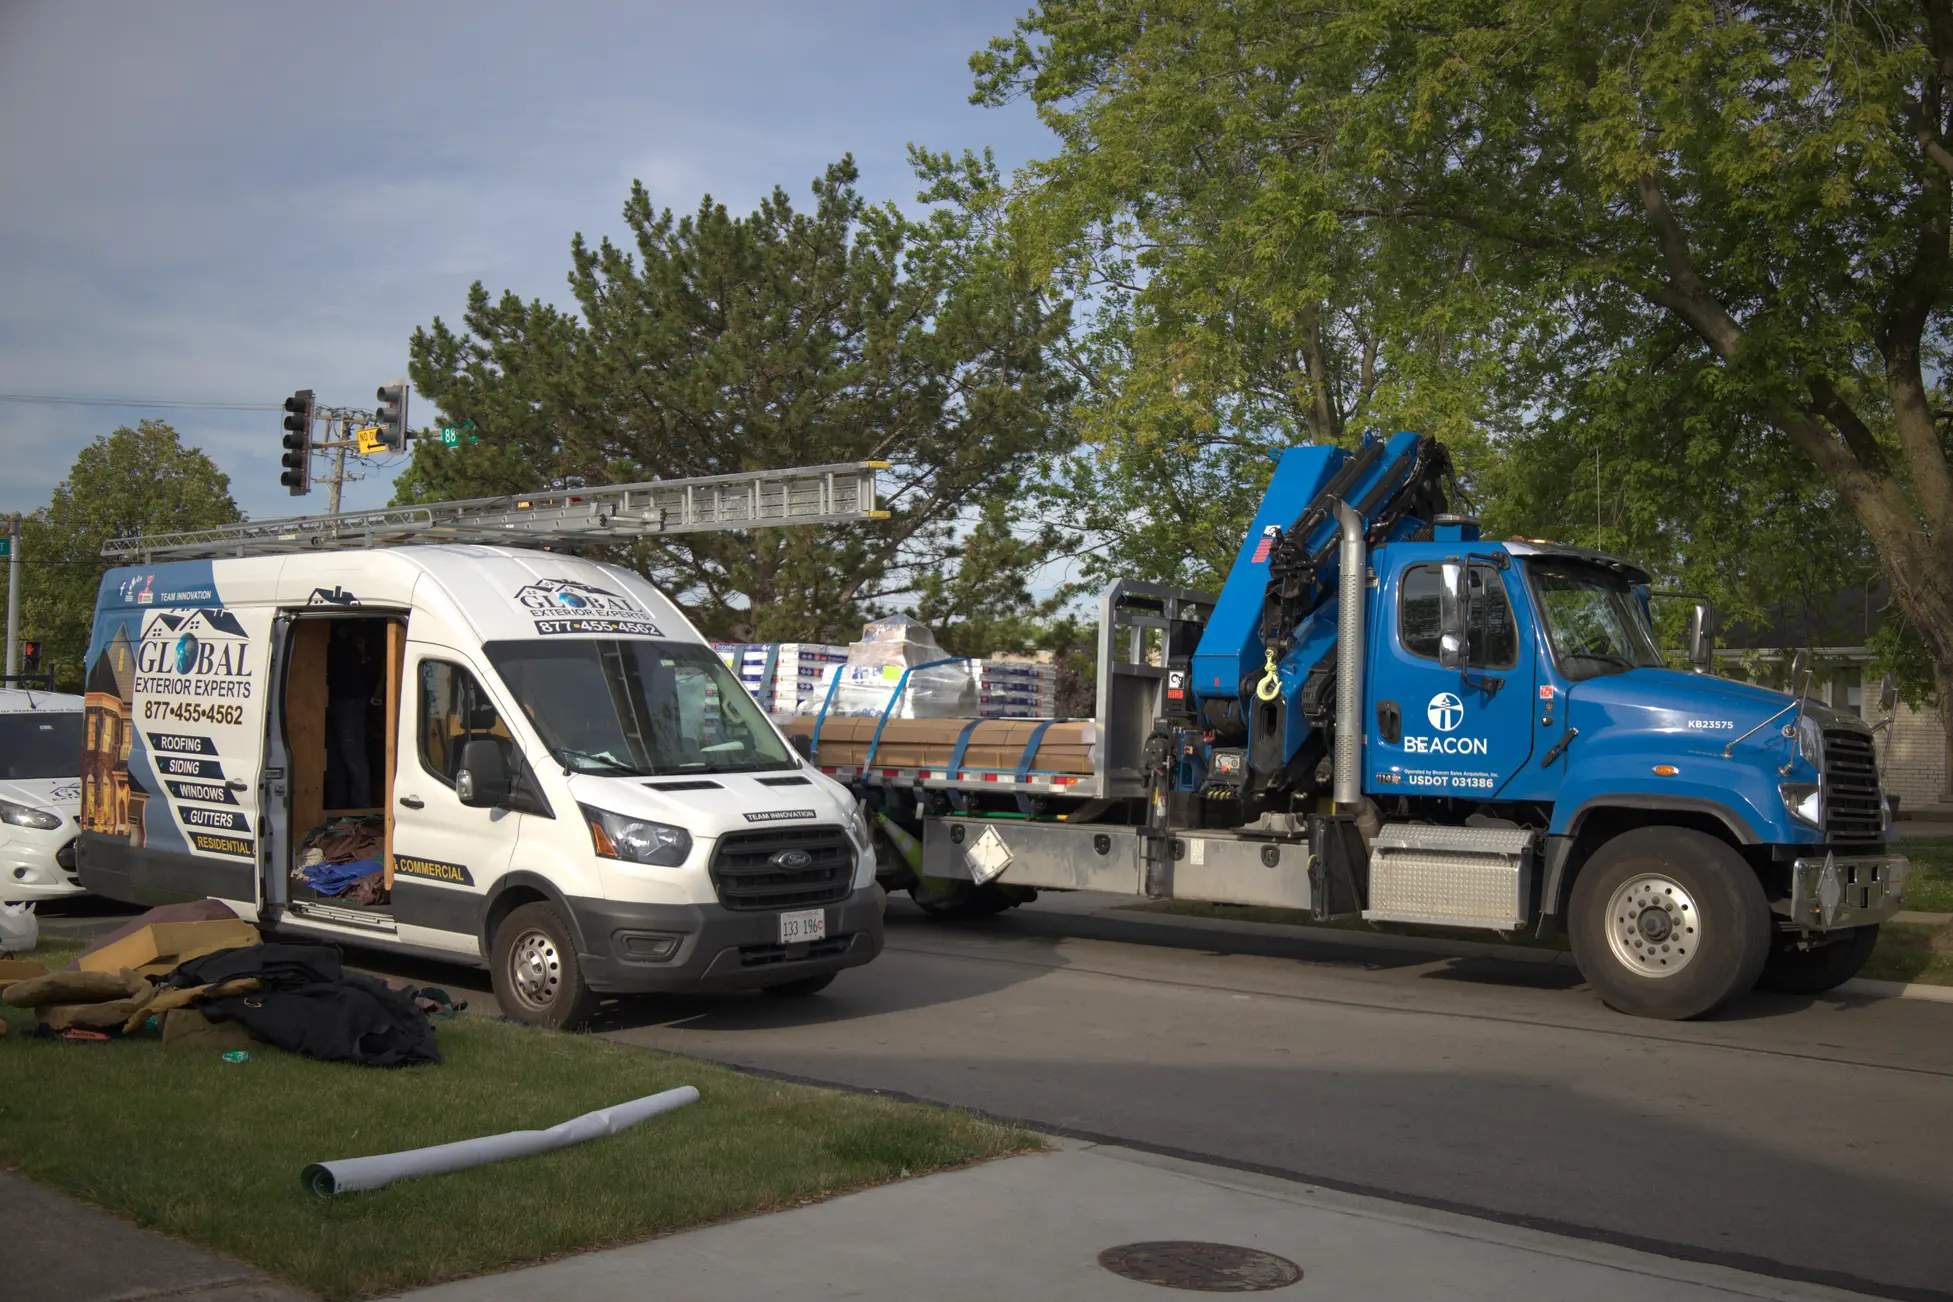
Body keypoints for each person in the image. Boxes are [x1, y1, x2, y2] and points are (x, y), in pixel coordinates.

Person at [325, 624, 378, 809]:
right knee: (334, 753)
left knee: (352, 752)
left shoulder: (360, 637)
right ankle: (338, 802)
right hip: (332, 697)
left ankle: (361, 804)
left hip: (350, 698)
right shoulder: (337, 638)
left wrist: (362, 651)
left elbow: (371, 669)